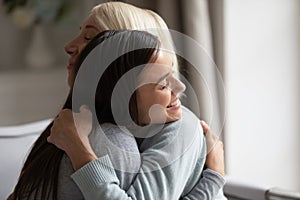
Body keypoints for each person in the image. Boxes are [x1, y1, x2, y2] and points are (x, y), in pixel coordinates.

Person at [8, 2, 226, 199]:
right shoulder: (91, 132)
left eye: (91, 39)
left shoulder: (171, 129)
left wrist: (80, 149)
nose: (69, 46)